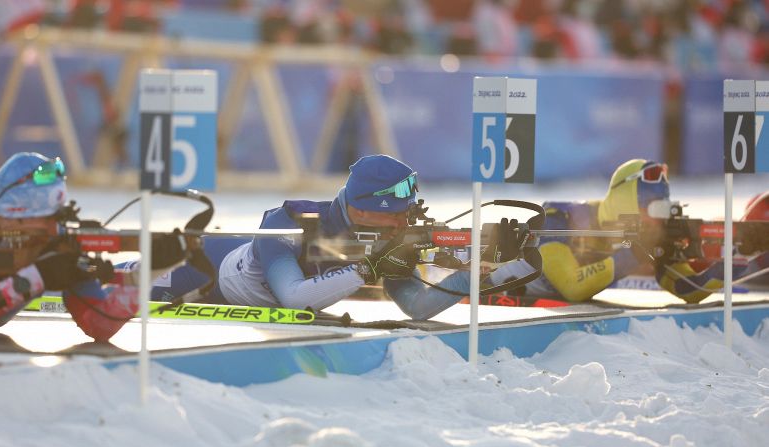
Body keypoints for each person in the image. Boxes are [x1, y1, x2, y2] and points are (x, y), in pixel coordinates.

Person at [148, 154, 530, 320]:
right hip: (194, 274)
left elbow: (416, 306)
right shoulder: (287, 222)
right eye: (396, 216)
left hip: (226, 263)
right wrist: (370, 268)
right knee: (125, 276)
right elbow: (293, 298)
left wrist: (484, 272)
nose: (403, 226)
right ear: (364, 210)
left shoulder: (388, 234)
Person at [490, 158, 769, 303]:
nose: (655, 219)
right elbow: (573, 287)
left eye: (662, 208)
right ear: (626, 202)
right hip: (488, 286)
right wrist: (632, 254)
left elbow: (688, 289)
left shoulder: (649, 234)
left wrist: (729, 268)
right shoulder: (560, 220)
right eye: (649, 207)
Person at [0, 152, 139, 341]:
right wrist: (34, 279)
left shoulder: (55, 242)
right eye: (47, 217)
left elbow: (99, 324)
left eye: (58, 216)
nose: (55, 228)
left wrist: (139, 279)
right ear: (13, 217)